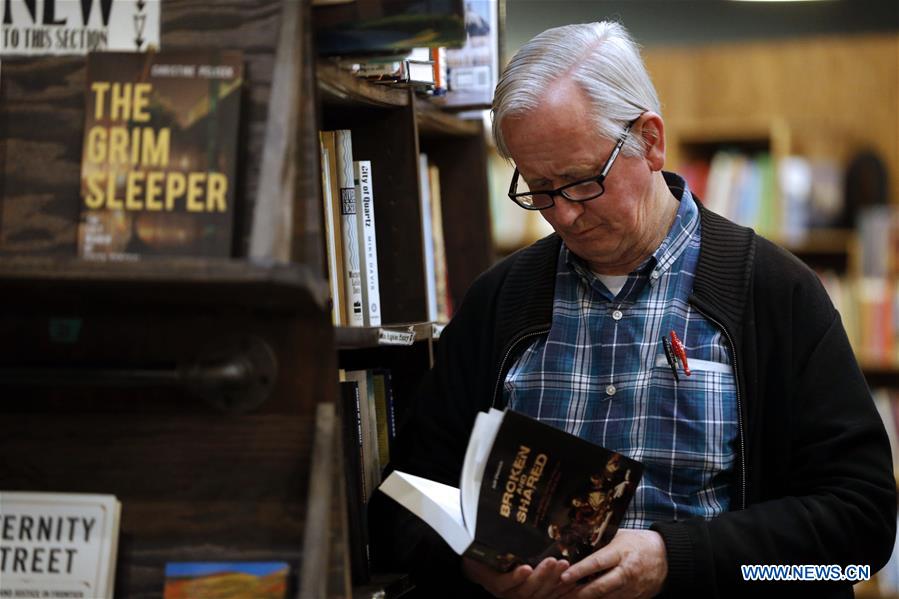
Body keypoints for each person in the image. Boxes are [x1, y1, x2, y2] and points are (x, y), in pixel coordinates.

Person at [370, 21, 896, 598]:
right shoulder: (499, 302)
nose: (562, 214)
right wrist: (466, 563)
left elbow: (859, 536)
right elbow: (403, 505)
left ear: (650, 140)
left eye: (580, 181)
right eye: (538, 189)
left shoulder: (775, 294)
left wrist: (679, 557)